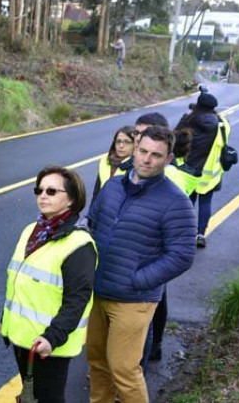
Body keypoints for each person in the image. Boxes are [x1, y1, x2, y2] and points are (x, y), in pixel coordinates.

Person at [87, 126, 196, 403]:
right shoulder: (113, 186)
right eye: (143, 151)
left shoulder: (176, 201)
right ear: (136, 149)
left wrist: (138, 280)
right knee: (97, 362)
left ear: (168, 158)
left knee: (124, 369)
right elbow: (92, 223)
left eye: (156, 155)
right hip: (98, 291)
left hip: (134, 300)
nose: (147, 159)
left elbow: (182, 255)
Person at [0, 166, 96, 403]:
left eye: (52, 191)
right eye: (39, 190)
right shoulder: (31, 230)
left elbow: (77, 300)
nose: (43, 195)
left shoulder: (79, 244)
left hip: (49, 344)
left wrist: (53, 337)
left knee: (48, 398)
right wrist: (7, 320)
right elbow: (18, 281)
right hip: (23, 339)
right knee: (31, 396)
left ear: (72, 199)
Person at [176, 91, 229, 249]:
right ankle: (200, 234)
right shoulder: (220, 124)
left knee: (187, 203)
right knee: (205, 203)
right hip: (210, 173)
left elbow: (174, 137)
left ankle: (184, 233)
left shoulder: (189, 120)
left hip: (188, 170)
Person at [93, 125, 135, 201]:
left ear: (135, 145)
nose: (121, 146)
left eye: (127, 142)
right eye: (118, 141)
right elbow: (97, 191)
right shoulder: (105, 160)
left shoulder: (136, 166)